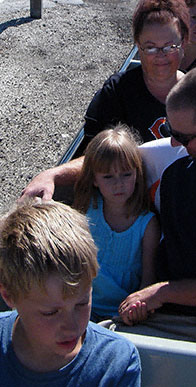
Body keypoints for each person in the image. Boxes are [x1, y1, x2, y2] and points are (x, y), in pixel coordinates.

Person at [21, 65, 196, 353]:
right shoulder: (179, 153)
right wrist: (53, 176)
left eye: (183, 136)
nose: (173, 142)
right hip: (158, 308)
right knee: (81, 345)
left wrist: (163, 291)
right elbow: (110, 162)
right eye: (172, 131)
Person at [0, 199, 140, 385]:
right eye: (50, 312)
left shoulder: (115, 363)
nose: (72, 326)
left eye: (81, 303)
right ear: (8, 295)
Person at [73, 126, 160, 321]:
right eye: (108, 177)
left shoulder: (147, 224)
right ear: (94, 179)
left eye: (126, 174)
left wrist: (137, 310)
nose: (118, 184)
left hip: (120, 313)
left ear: (137, 174)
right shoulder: (87, 209)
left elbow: (148, 279)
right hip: (80, 305)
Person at [83, 0, 189, 146]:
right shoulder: (117, 92)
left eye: (169, 47)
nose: (161, 55)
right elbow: (95, 154)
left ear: (184, 43)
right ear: (138, 46)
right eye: (151, 48)